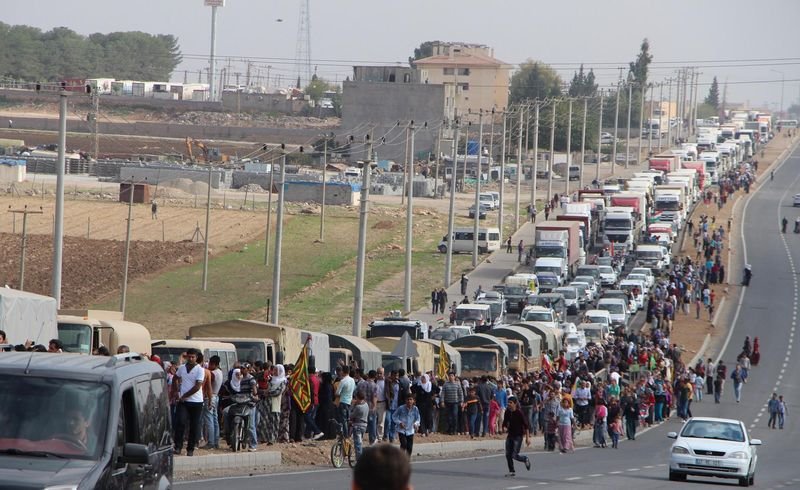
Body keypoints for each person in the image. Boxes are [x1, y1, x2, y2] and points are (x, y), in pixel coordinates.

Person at [173, 348, 205, 456]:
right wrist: (177, 391)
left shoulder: (200, 369)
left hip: (196, 401)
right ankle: (178, 446)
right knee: (180, 423)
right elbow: (175, 378)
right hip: (183, 402)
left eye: (193, 357)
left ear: (196, 358)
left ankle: (190, 448)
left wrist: (184, 396)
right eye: (189, 357)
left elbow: (197, 386)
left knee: (194, 425)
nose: (191, 359)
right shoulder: (182, 368)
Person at [501, 396, 531, 477]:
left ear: (515, 404)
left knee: (514, 455)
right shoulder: (507, 412)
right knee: (508, 454)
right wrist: (503, 427)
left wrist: (527, 438)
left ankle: (525, 459)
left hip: (518, 436)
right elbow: (504, 422)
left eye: (510, 403)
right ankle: (511, 471)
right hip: (510, 435)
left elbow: (526, 426)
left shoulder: (519, 413)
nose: (509, 404)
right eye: (508, 402)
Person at [336, 365, 356, 435]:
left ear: (342, 372)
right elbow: (354, 389)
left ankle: (345, 434)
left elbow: (337, 392)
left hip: (343, 401)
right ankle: (349, 433)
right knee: (348, 418)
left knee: (343, 419)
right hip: (349, 401)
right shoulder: (352, 380)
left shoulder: (343, 381)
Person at [350, 391, 369, 460]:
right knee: (360, 442)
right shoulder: (366, 404)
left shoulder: (358, 407)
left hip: (357, 425)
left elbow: (351, 415)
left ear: (357, 397)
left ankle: (359, 459)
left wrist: (352, 405)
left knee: (358, 443)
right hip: (364, 425)